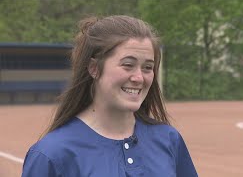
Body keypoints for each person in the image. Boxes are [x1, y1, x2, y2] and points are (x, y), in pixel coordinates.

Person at [22, 15, 198, 177]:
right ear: (94, 68)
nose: (139, 78)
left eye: (147, 67)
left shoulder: (168, 139)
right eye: (128, 65)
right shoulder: (51, 154)